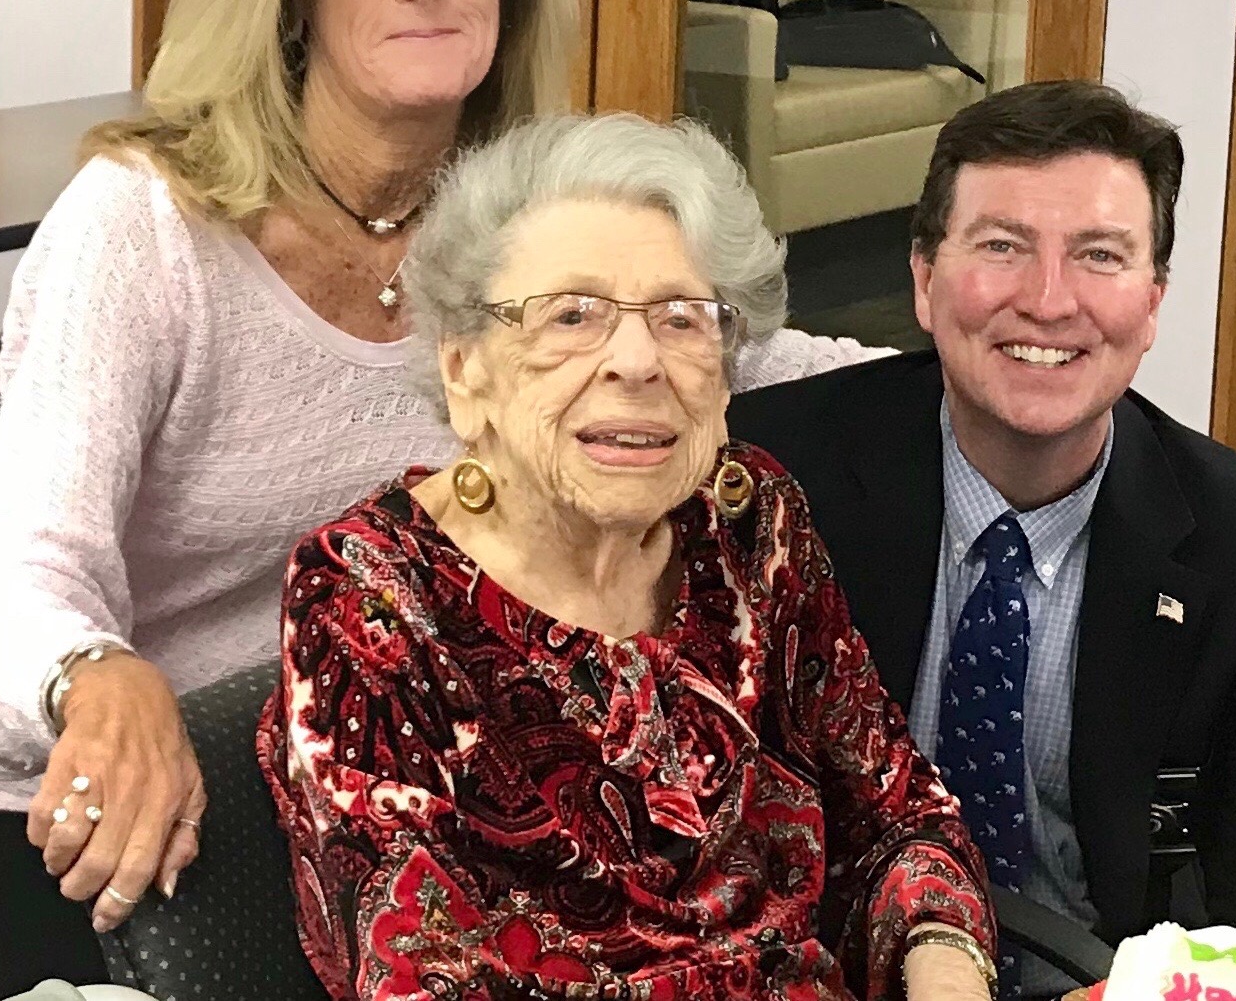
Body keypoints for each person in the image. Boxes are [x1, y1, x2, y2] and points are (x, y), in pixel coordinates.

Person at [0, 0, 878, 994]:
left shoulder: (519, 224)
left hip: (415, 771)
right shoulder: (142, 226)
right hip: (151, 788)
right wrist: (95, 672)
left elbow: (738, 351)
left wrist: (996, 368)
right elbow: (5, 585)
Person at [263, 113, 997, 1001]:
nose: (637, 361)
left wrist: (949, 971)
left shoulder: (750, 526)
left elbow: (898, 812)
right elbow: (418, 975)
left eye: (682, 318)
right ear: (465, 371)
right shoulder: (371, 599)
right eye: (572, 315)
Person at [727, 81, 1236, 998]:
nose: (1048, 300)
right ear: (923, 278)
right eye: (1002, 246)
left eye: (1100, 257)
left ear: (1151, 302)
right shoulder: (769, 476)